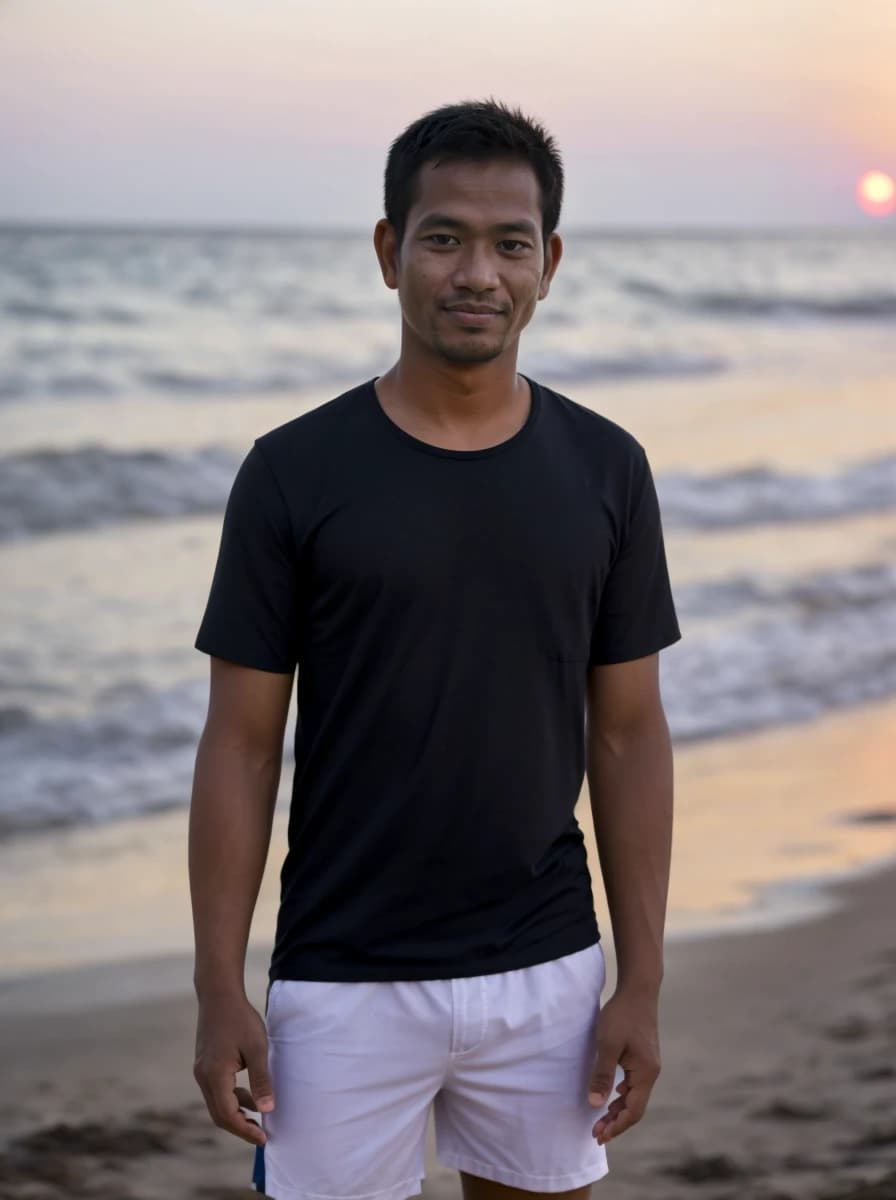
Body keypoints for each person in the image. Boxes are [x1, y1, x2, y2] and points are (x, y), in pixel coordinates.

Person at [189, 98, 681, 1200]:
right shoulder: (292, 473)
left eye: (509, 243)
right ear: (387, 252)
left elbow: (628, 728)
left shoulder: (607, 470)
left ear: (548, 263)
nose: (477, 272)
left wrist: (639, 981)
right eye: (443, 237)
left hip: (547, 971)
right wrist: (219, 985)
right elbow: (240, 745)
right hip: (340, 980)